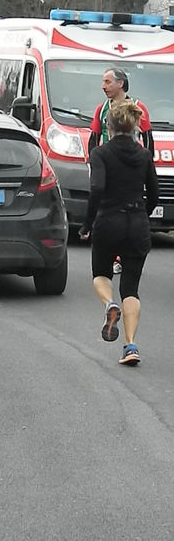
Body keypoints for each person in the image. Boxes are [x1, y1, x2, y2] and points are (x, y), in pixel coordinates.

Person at [79, 100, 158, 366]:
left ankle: (109, 304)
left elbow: (97, 189)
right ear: (135, 126)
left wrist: (88, 223)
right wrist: (141, 216)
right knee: (132, 289)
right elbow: (155, 194)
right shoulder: (144, 155)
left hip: (108, 222)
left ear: (108, 127)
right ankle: (130, 346)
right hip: (137, 223)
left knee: (101, 274)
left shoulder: (101, 153)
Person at [88, 67, 155, 275]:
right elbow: (93, 138)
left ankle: (120, 256)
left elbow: (148, 139)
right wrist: (95, 163)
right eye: (103, 81)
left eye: (108, 82)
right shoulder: (102, 109)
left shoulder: (137, 106)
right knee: (109, 209)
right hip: (108, 164)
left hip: (133, 164)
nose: (103, 86)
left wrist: (146, 166)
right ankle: (114, 255)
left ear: (121, 84)